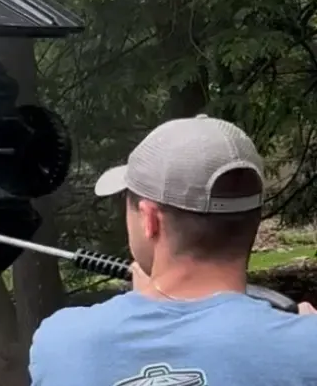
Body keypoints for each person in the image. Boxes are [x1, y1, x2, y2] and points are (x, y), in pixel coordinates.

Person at [29, 114, 317, 386]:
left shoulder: (60, 341)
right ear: (255, 218)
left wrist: (149, 300)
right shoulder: (306, 347)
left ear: (149, 219)